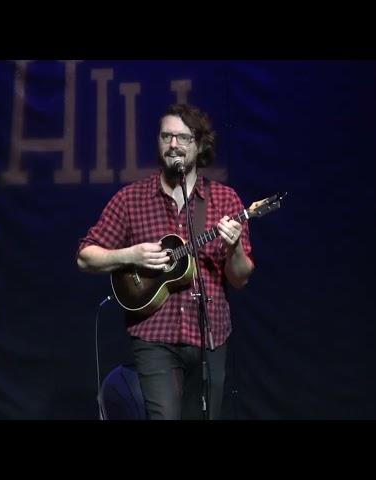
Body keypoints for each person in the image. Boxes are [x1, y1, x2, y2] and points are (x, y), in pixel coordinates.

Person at [77, 103, 254, 420]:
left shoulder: (226, 200)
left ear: (199, 145)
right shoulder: (132, 198)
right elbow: (85, 257)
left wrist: (235, 246)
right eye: (166, 136)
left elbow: (240, 278)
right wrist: (130, 254)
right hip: (153, 335)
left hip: (209, 335)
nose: (173, 144)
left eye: (183, 137)